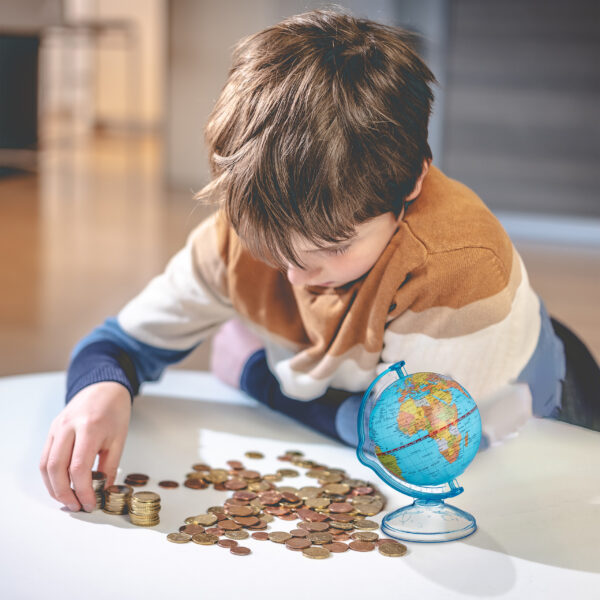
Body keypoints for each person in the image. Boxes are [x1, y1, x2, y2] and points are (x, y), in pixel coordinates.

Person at [39, 8, 599, 515]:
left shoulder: (460, 269)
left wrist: (252, 371)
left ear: (412, 184)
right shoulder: (244, 228)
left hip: (537, 411)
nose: (296, 277)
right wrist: (101, 390)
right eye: (274, 248)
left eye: (332, 248)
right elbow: (118, 343)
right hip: (388, 396)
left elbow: (413, 447)